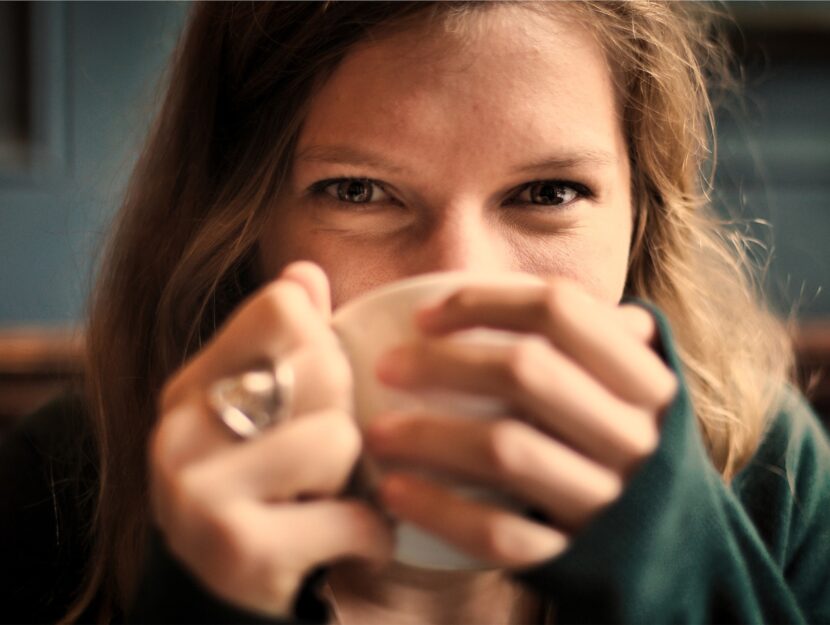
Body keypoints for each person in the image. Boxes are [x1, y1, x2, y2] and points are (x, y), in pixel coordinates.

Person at [1, 2, 828, 623]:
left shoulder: (771, 480)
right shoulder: (62, 488)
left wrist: (682, 577)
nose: (460, 281)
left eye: (548, 193)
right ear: (241, 225)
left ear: (641, 219)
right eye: (358, 191)